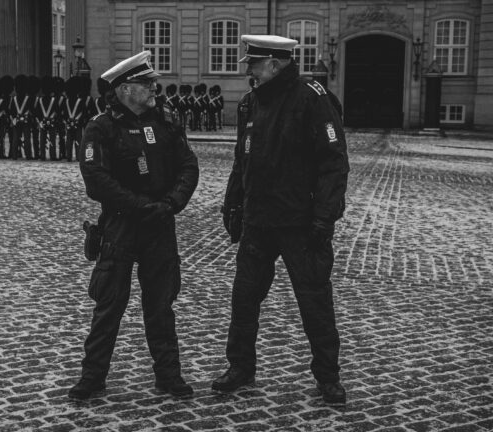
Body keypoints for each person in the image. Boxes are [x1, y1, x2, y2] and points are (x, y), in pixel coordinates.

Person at [214, 35, 350, 406]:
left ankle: (328, 376)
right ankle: (240, 366)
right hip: (259, 220)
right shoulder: (250, 103)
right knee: (244, 299)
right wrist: (233, 204)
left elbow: (333, 162)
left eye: (253, 64)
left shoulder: (312, 97)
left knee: (314, 302)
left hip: (300, 223)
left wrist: (325, 216)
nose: (248, 71)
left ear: (275, 64)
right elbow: (242, 160)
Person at [69, 50, 199, 400]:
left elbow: (189, 167)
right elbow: (96, 180)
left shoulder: (166, 123)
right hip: (121, 226)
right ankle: (93, 378)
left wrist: (171, 203)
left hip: (160, 226)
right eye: (147, 83)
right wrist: (142, 206)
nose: (155, 88)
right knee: (109, 305)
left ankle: (169, 375)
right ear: (126, 89)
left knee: (161, 306)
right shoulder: (101, 128)